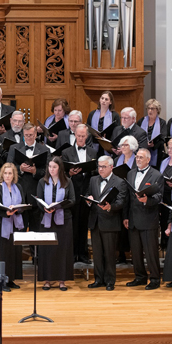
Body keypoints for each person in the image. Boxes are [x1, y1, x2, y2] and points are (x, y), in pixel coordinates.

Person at [123, 148, 164, 290]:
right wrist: (126, 216)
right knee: (135, 251)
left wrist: (147, 200)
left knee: (151, 251)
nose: (138, 159)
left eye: (141, 157)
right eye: (137, 157)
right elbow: (127, 197)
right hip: (133, 218)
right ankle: (140, 277)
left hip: (148, 218)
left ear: (148, 159)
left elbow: (159, 197)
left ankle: (154, 278)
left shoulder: (156, 175)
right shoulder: (130, 173)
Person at [87, 156, 127, 290]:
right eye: (99, 166)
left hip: (110, 221)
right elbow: (88, 194)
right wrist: (88, 200)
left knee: (109, 254)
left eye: (103, 166)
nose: (100, 169)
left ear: (111, 167)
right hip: (96, 221)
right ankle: (98, 279)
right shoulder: (93, 180)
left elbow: (121, 202)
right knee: (97, 253)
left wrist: (110, 207)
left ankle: (110, 281)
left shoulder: (119, 182)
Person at [36, 157, 76, 291]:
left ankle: (62, 280)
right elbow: (38, 200)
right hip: (47, 219)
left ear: (59, 168)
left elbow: (72, 200)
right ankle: (47, 280)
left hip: (63, 219)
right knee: (47, 250)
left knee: (62, 249)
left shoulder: (67, 182)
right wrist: (45, 208)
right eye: (50, 167)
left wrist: (60, 206)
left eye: (54, 167)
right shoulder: (42, 182)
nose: (51, 169)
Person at [62, 124, 97, 264]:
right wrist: (69, 173)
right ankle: (72, 254)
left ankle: (82, 254)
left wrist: (89, 170)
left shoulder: (93, 152)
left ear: (87, 136)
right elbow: (63, 173)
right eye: (79, 135)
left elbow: (95, 172)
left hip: (87, 192)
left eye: (83, 136)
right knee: (72, 225)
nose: (81, 138)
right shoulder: (66, 152)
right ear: (75, 135)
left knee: (83, 225)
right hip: (73, 192)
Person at [6, 123, 51, 230]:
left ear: (36, 134)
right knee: (19, 227)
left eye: (31, 135)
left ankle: (34, 247)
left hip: (36, 191)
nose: (28, 137)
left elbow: (48, 171)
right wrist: (20, 169)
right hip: (19, 192)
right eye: (26, 135)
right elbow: (7, 167)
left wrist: (35, 171)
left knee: (36, 226)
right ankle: (19, 247)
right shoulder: (14, 148)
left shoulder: (44, 149)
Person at [0, 163, 25, 291]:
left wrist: (17, 210)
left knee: (14, 253)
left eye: (10, 173)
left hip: (16, 224)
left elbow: (22, 205)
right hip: (3, 225)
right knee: (3, 253)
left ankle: (11, 280)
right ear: (2, 174)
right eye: (5, 173)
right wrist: (6, 212)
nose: (7, 175)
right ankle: (2, 281)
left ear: (14, 175)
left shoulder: (19, 187)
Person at [138, 99, 167, 167]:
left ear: (157, 110)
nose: (150, 111)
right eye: (148, 108)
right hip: (143, 149)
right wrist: (145, 143)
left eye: (152, 109)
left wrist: (154, 145)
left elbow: (163, 138)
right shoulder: (141, 121)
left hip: (157, 152)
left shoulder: (162, 123)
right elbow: (137, 135)